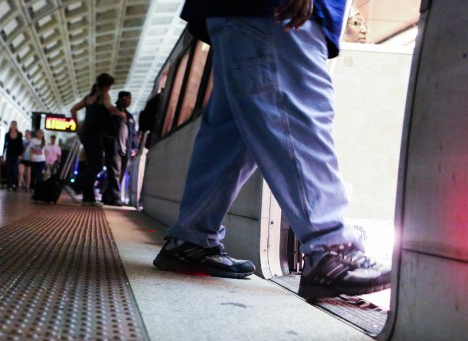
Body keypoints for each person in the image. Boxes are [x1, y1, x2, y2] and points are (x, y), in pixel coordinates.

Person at [154, 0, 392, 300]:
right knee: (296, 114)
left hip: (241, 13)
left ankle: (190, 239)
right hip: (276, 11)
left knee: (233, 132)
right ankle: (331, 250)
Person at [70, 73, 126, 206]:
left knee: (91, 165)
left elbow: (73, 109)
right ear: (106, 86)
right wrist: (121, 114)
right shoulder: (104, 96)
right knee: (98, 165)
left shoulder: (89, 98)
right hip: (94, 135)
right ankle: (77, 185)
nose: (110, 89)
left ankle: (88, 199)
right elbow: (111, 109)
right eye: (109, 86)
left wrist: (77, 127)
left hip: (85, 134)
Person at [110, 91, 140, 207]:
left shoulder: (130, 117)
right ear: (122, 99)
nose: (130, 101)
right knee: (115, 173)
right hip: (115, 148)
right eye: (128, 99)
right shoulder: (113, 113)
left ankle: (108, 196)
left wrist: (135, 148)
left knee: (120, 174)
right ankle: (116, 197)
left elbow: (133, 134)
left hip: (126, 150)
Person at [1, 121, 24, 191]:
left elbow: (21, 145)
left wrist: (20, 154)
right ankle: (10, 185)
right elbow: (5, 145)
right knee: (9, 169)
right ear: (10, 126)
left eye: (15, 125)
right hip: (9, 154)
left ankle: (15, 184)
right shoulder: (7, 135)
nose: (13, 126)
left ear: (16, 126)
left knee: (15, 170)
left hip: (16, 155)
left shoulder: (19, 134)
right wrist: (2, 154)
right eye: (12, 125)